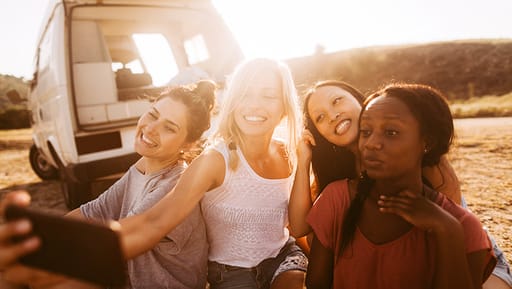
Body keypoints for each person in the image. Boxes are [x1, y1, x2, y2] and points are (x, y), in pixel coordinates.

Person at [288, 80, 512, 288]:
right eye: (319, 117)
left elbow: (449, 225)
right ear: (322, 136)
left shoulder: (423, 159)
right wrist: (304, 158)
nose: (333, 115)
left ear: (362, 102)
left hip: (466, 255)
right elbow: (299, 229)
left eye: (337, 100)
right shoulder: (336, 186)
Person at [0, 80, 216, 289]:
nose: (151, 129)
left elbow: (123, 237)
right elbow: (94, 211)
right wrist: (36, 235)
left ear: (189, 143)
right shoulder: (142, 167)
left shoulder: (175, 184)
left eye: (169, 128)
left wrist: (37, 250)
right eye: (153, 115)